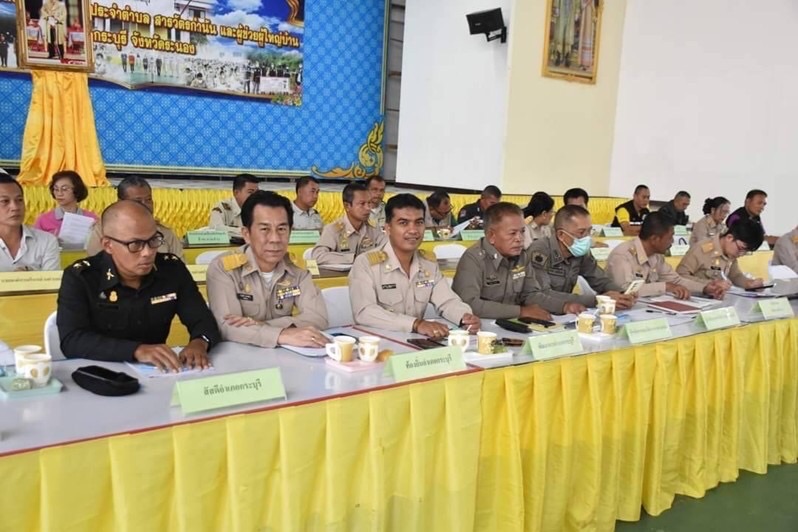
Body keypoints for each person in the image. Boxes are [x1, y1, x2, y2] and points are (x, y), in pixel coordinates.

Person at [57, 201, 220, 370]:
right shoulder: (81, 277)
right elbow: (72, 340)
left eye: (153, 240)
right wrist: (136, 350)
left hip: (157, 372)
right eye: (135, 244)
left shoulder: (171, 270)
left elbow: (202, 319)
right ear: (108, 245)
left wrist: (199, 342)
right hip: (103, 371)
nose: (147, 252)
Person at [207, 191, 328, 348]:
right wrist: (281, 334)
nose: (275, 239)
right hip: (242, 353)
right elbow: (227, 326)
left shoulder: (298, 269)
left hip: (285, 354)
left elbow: (318, 318)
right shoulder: (224, 268)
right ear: (246, 234)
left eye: (281, 229)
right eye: (265, 229)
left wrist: (261, 325)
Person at [350, 194, 480, 338]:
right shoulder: (366, 263)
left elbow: (447, 301)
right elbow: (365, 312)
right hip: (378, 343)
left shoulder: (428, 263)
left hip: (416, 342)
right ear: (388, 228)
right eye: (403, 223)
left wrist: (464, 317)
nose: (413, 230)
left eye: (419, 222)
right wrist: (415, 324)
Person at [452, 202, 581, 319]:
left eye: (522, 231)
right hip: (480, 326)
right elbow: (470, 304)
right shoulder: (474, 258)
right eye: (512, 233)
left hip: (512, 324)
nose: (520, 239)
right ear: (492, 236)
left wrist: (563, 306)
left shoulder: (522, 257)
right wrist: (521, 312)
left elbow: (531, 295)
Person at [528, 205, 636, 309]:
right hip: (541, 311)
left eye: (589, 231)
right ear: (561, 235)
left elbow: (599, 279)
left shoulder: (580, 252)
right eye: (581, 232)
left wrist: (622, 294)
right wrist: (597, 300)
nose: (587, 237)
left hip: (568, 312)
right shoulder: (539, 251)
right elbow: (544, 294)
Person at [606, 212, 728, 299]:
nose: (673, 241)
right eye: (670, 237)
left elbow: (676, 280)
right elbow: (625, 290)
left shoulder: (656, 256)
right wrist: (666, 287)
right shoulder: (622, 255)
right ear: (655, 239)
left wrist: (705, 288)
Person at [85, 176, 184, 260]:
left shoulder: (165, 233)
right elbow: (97, 265)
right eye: (137, 201)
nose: (145, 205)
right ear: (120, 202)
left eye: (148, 199)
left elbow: (181, 266)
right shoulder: (103, 230)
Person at [676, 219, 765, 290]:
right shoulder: (702, 249)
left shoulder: (731, 253)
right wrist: (710, 284)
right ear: (729, 238)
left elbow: (735, 275)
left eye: (746, 252)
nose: (741, 254)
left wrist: (748, 283)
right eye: (741, 249)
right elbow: (680, 275)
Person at [310, 182, 385, 266]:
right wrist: (352, 258)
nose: (368, 208)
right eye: (362, 204)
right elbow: (318, 256)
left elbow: (388, 250)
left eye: (369, 203)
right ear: (347, 206)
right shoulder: (333, 230)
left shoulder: (373, 228)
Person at [0, 174, 59, 271]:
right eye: (5, 201)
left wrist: (31, 276)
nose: (15, 207)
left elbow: (53, 280)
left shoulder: (47, 241)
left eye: (19, 200)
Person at [33, 170, 98, 237]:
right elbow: (35, 242)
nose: (59, 193)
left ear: (77, 190)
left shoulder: (91, 219)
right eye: (56, 189)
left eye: (64, 189)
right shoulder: (43, 220)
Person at [209, 173, 260, 238]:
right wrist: (247, 232)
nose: (255, 196)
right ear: (236, 193)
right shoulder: (222, 207)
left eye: (257, 192)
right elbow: (215, 228)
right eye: (250, 192)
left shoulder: (260, 209)